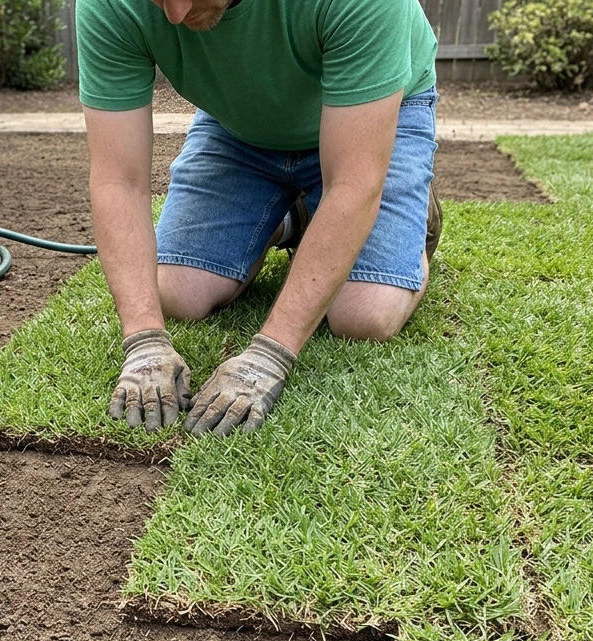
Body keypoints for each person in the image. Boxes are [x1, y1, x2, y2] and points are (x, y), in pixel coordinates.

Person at [76, 0, 441, 436]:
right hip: (240, 126)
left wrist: (269, 355)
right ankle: (296, 217)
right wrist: (144, 341)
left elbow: (352, 183)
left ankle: (409, 214)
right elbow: (119, 180)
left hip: (374, 118)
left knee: (364, 315)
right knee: (178, 292)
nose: (174, 16)